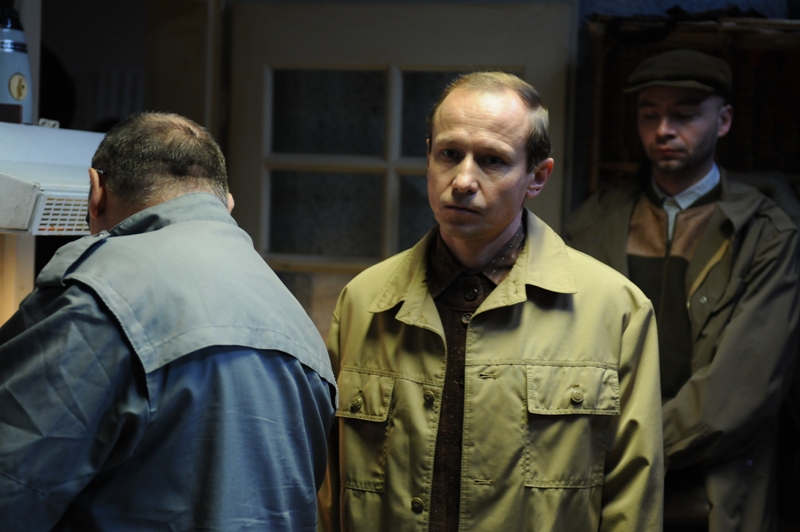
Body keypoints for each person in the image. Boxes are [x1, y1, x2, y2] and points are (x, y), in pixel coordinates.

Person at [318, 72, 663, 531]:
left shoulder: (615, 310)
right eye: (449, 154)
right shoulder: (363, 302)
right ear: (428, 157)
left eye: (492, 160)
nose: (463, 180)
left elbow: (633, 501)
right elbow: (327, 490)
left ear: (537, 177)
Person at [0, 112, 337, 530]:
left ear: (96, 191)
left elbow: (11, 488)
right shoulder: (301, 329)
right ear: (227, 204)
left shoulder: (98, 292)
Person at [567, 49, 800, 532]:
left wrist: (624, 453)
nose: (664, 130)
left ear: (723, 120)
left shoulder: (766, 233)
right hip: (606, 494)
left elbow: (738, 392)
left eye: (685, 115)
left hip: (714, 493)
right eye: (649, 114)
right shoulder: (593, 224)